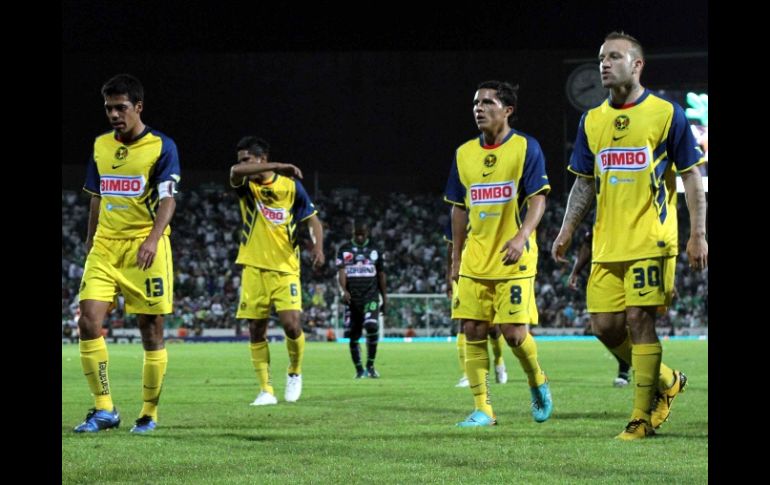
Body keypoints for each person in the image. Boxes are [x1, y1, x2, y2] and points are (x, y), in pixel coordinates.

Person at [551, 32, 708, 440]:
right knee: (604, 326)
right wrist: (567, 229)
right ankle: (668, 379)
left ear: (637, 65)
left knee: (639, 320)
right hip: (607, 243)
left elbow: (691, 175)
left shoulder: (665, 113)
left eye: (614, 57)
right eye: (601, 57)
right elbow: (584, 184)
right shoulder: (592, 119)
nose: (604, 63)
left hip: (652, 239)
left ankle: (641, 418)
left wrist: (698, 234)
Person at [74, 74, 181, 434]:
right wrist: (90, 240)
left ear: (138, 107)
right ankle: (104, 409)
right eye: (109, 108)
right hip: (105, 246)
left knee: (150, 330)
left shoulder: (162, 146)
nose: (114, 114)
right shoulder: (100, 145)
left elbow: (168, 198)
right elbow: (96, 195)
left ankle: (149, 413)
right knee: (87, 321)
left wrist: (153, 238)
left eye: (121, 107)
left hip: (144, 247)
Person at [445, 80, 553, 427]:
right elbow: (458, 210)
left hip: (514, 257)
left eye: (488, 103)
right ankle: (483, 409)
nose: (479, 108)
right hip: (476, 258)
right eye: (476, 103)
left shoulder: (525, 147)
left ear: (507, 110)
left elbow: (539, 197)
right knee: (472, 329)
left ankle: (537, 380)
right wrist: (456, 258)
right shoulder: (463, 154)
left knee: (514, 334)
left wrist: (522, 236)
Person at [229, 136, 325, 406]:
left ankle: (294, 372)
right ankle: (266, 389)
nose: (242, 164)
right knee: (256, 329)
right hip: (253, 266)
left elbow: (314, 220)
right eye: (241, 159)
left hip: (285, 267)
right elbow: (234, 172)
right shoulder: (246, 186)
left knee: (292, 325)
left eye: (247, 159)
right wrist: (279, 165)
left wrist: (318, 248)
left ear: (261, 158)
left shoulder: (291, 187)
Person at [443, 216, 507, 388]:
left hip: (488, 271)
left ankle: (499, 362)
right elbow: (451, 247)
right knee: (464, 322)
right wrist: (448, 277)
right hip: (463, 274)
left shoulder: (489, 209)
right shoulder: (458, 214)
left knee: (493, 328)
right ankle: (467, 374)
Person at [568, 229, 632, 388]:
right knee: (604, 328)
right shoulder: (602, 209)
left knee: (635, 322)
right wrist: (576, 270)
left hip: (636, 266)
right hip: (606, 271)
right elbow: (589, 240)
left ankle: (632, 371)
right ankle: (650, 368)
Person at [336, 221, 387, 378]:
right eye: (356, 234)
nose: (359, 237)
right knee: (353, 334)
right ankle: (359, 370)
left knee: (371, 325)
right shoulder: (344, 250)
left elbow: (381, 274)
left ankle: (370, 366)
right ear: (352, 233)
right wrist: (343, 290)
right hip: (352, 299)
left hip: (370, 296)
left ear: (367, 233)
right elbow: (341, 272)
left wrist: (385, 297)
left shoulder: (375, 249)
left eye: (362, 234)